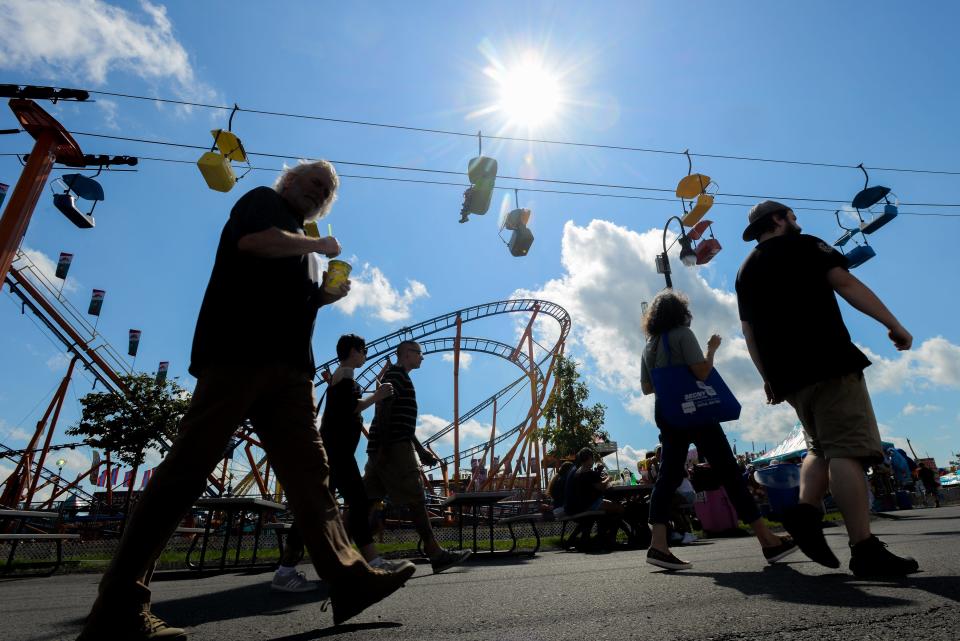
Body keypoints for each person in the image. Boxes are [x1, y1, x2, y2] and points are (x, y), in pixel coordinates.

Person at [77, 161, 414, 641]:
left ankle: (348, 578)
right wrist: (318, 244)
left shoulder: (301, 241)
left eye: (328, 191)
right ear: (289, 181)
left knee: (311, 480)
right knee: (185, 473)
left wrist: (323, 296)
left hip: (292, 371)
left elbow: (290, 296)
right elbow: (253, 244)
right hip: (239, 353)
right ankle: (118, 608)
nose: (320, 193)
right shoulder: (264, 202)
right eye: (314, 182)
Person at [736, 200, 919, 577]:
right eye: (792, 216)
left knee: (818, 447)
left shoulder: (746, 270)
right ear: (778, 219)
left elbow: (749, 332)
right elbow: (847, 283)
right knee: (847, 451)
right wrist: (893, 323)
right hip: (829, 361)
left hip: (789, 377)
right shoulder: (808, 247)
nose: (797, 222)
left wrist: (767, 377)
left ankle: (805, 512)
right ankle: (864, 548)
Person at [640, 289, 797, 571]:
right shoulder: (682, 334)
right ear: (681, 312)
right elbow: (701, 373)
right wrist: (711, 349)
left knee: (667, 477)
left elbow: (647, 387)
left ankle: (659, 544)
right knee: (728, 472)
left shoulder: (649, 345)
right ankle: (767, 539)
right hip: (696, 410)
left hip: (666, 412)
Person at [271, 334, 415, 592]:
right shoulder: (346, 374)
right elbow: (348, 409)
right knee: (343, 506)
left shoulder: (342, 376)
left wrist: (372, 396)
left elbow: (343, 407)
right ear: (354, 351)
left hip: (337, 453)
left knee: (336, 507)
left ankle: (371, 560)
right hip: (336, 454)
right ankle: (287, 572)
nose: (366, 354)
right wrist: (378, 396)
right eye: (364, 350)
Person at [363, 340, 471, 573]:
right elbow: (383, 409)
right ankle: (436, 553)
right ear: (406, 354)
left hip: (385, 445)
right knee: (415, 500)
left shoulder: (400, 376)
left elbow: (403, 423)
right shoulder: (396, 375)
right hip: (393, 448)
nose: (422, 357)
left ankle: (340, 551)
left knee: (366, 503)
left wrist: (421, 451)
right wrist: (384, 448)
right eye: (418, 353)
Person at [563, 448, 624, 550]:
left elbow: (595, 483)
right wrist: (609, 479)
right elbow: (601, 486)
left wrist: (603, 478)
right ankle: (611, 537)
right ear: (589, 458)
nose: (593, 460)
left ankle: (603, 535)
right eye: (592, 458)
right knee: (620, 508)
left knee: (609, 510)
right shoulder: (587, 471)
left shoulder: (579, 471)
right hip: (591, 503)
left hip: (582, 504)